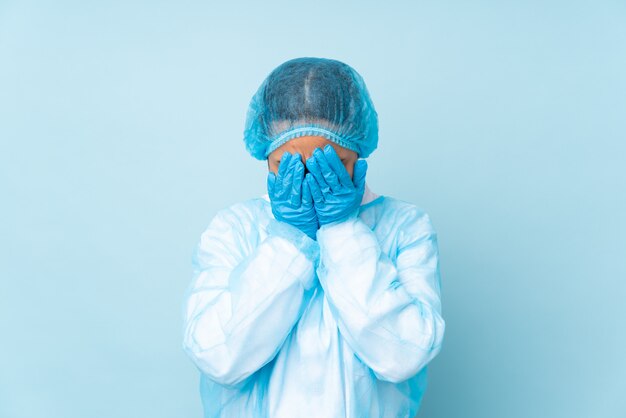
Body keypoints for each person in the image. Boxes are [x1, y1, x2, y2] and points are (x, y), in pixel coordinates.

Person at [181, 57, 445, 418]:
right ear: (266, 156)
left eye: (331, 163)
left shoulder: (405, 227)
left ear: (358, 152)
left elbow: (403, 355)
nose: (312, 181)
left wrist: (342, 231)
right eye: (288, 166)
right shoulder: (235, 228)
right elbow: (218, 357)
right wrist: (290, 241)